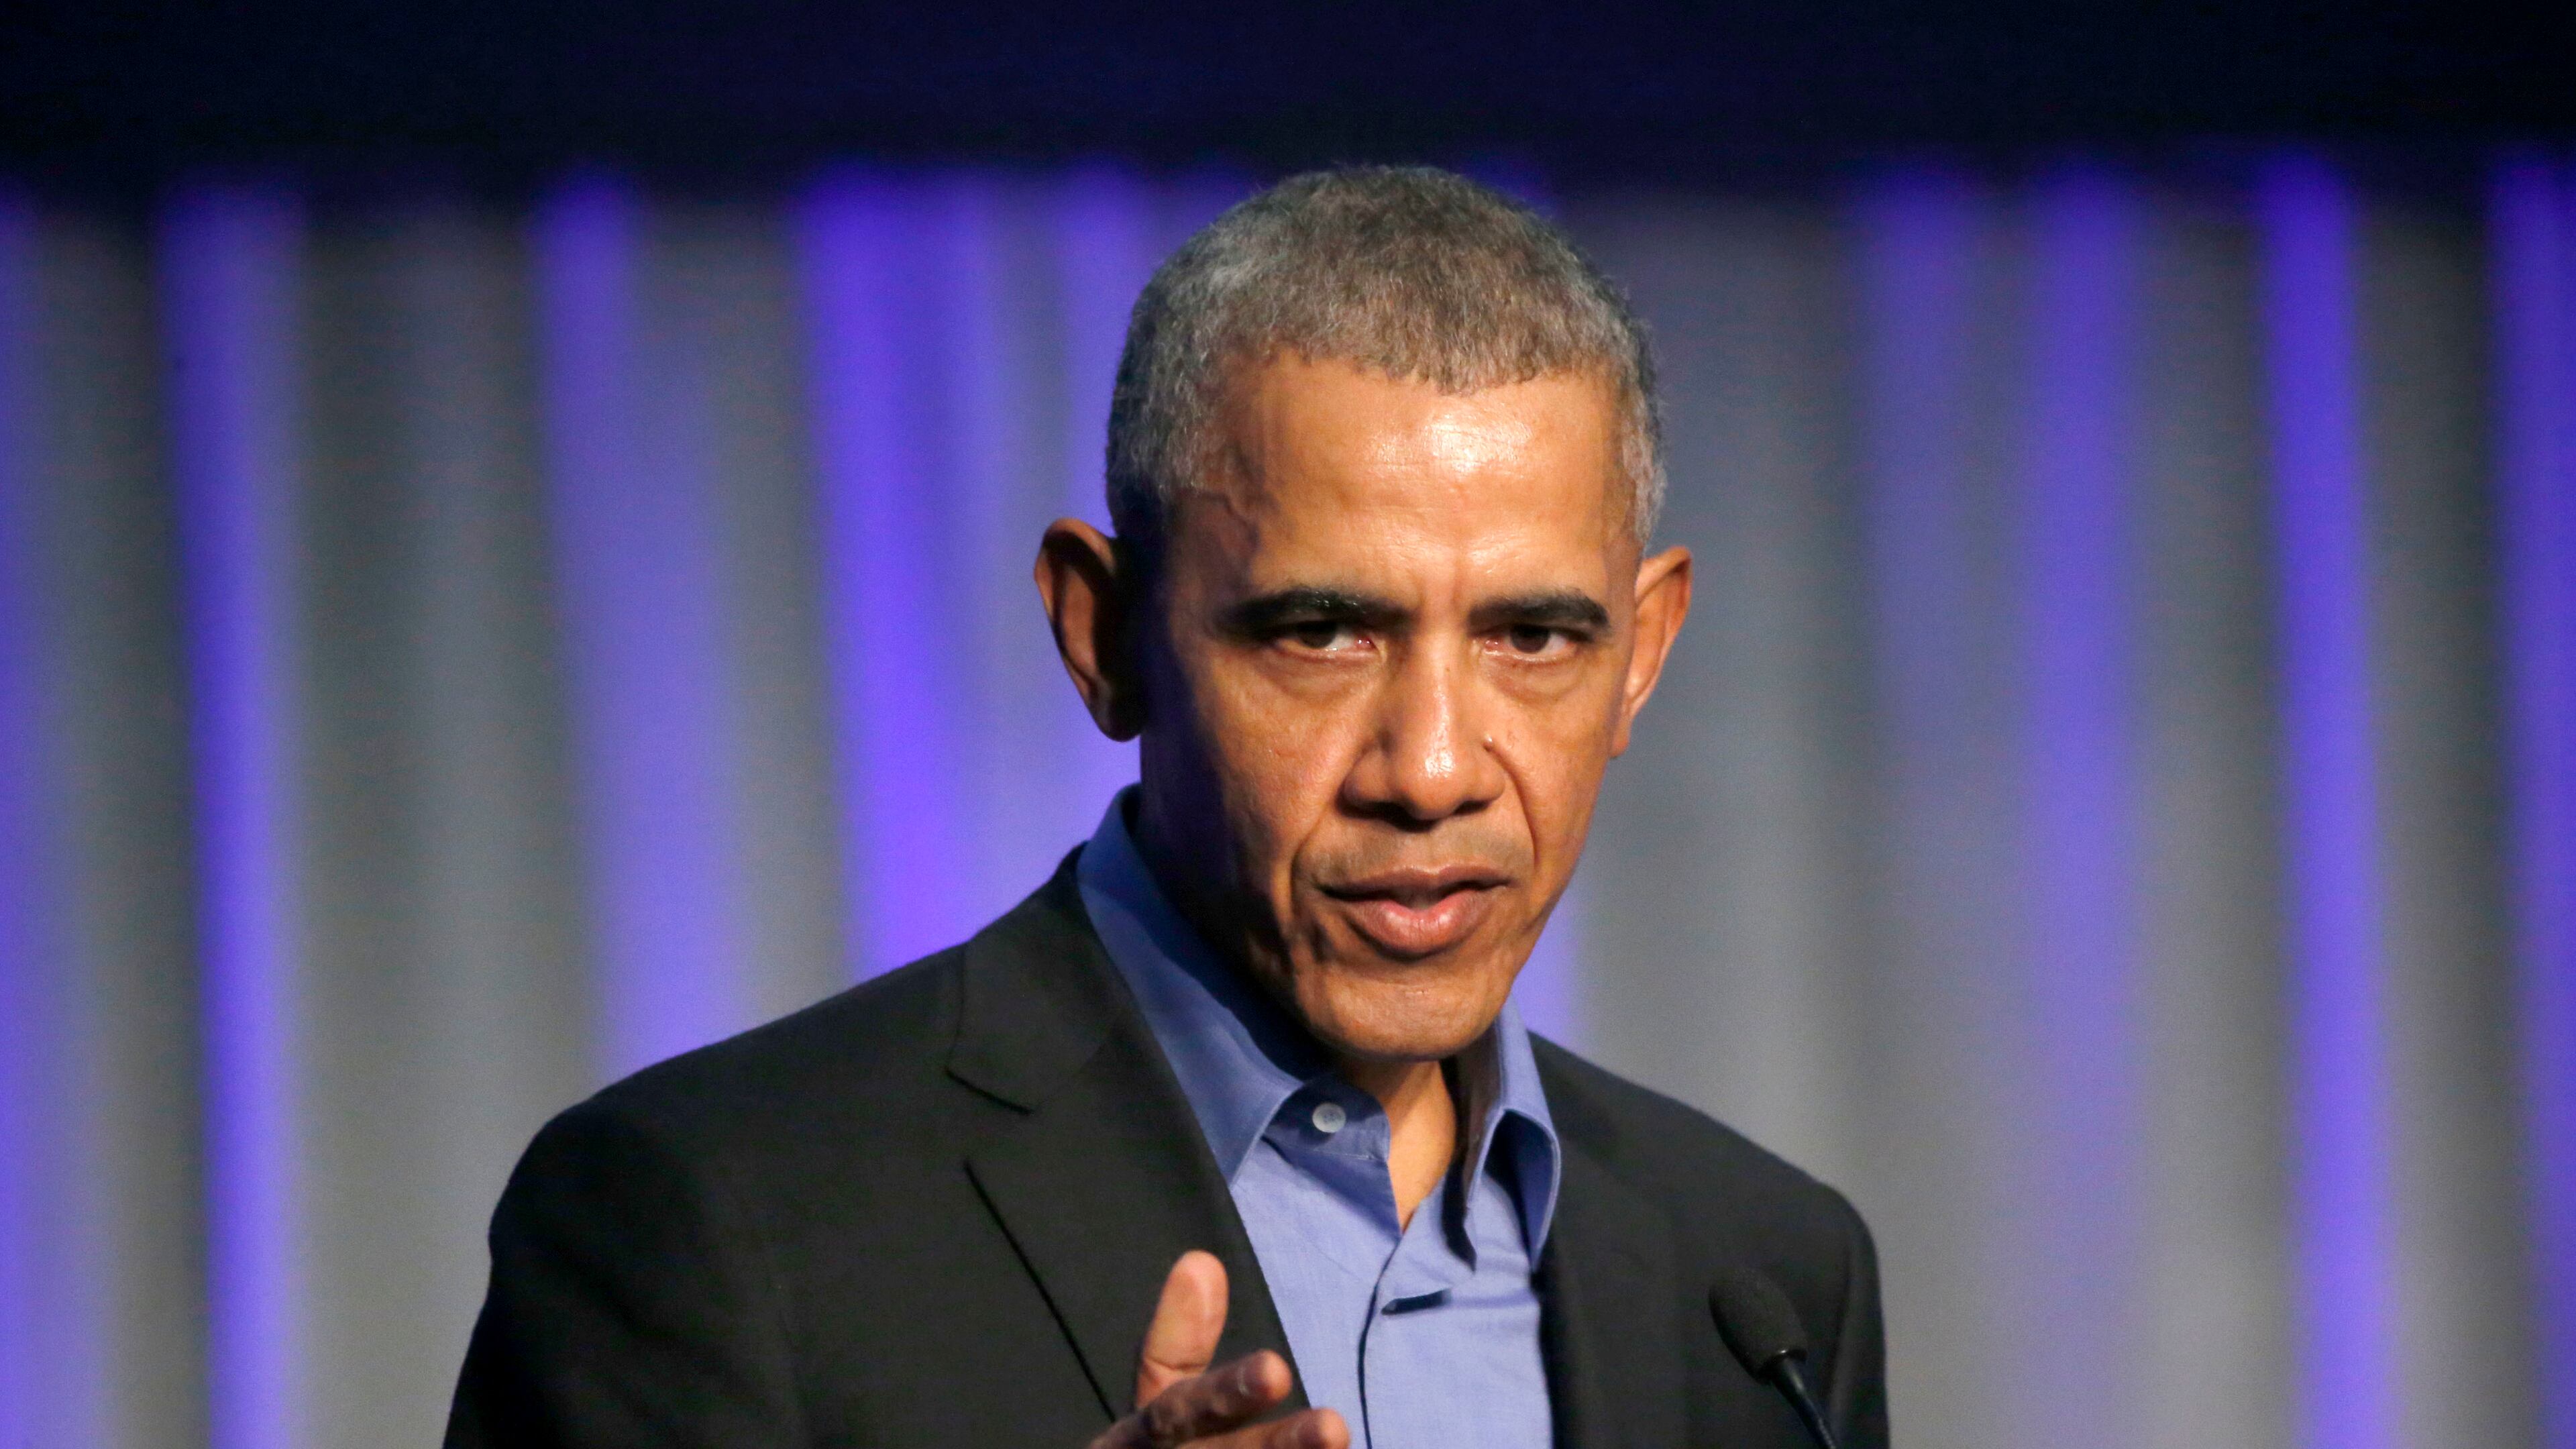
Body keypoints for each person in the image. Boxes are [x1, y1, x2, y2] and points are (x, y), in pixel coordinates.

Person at [445, 166, 1888, 1449]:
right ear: (1108, 635)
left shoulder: (1758, 1280)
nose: (1433, 768)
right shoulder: (708, 1221)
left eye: (1533, 639)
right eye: (1322, 631)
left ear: (1641, 657)